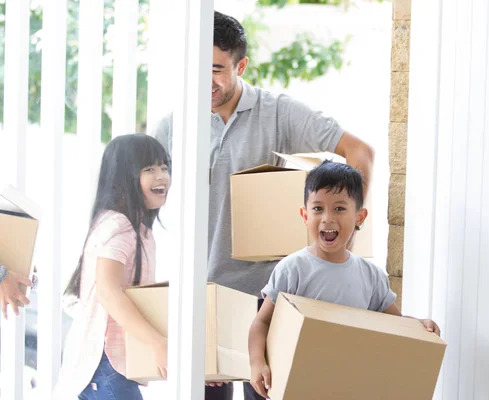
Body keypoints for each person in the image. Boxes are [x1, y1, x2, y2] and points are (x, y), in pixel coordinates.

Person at [152, 12, 374, 399]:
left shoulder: (277, 112)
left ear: (241, 65)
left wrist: (346, 235)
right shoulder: (176, 124)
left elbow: (359, 152)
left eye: (217, 69)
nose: (206, 81)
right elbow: (139, 186)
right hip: (205, 295)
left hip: (269, 297)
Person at [248, 161, 441, 398]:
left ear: (360, 216)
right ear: (304, 215)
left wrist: (420, 326)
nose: (327, 218)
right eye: (318, 208)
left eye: (339, 208)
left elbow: (396, 326)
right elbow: (261, 323)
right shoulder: (293, 269)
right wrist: (258, 363)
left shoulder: (371, 276)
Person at [52, 134, 171, 400]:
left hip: (108, 366)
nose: (161, 176)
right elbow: (108, 291)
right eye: (149, 169)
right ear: (122, 179)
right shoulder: (118, 226)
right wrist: (157, 342)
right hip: (104, 364)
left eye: (164, 167)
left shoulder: (138, 230)